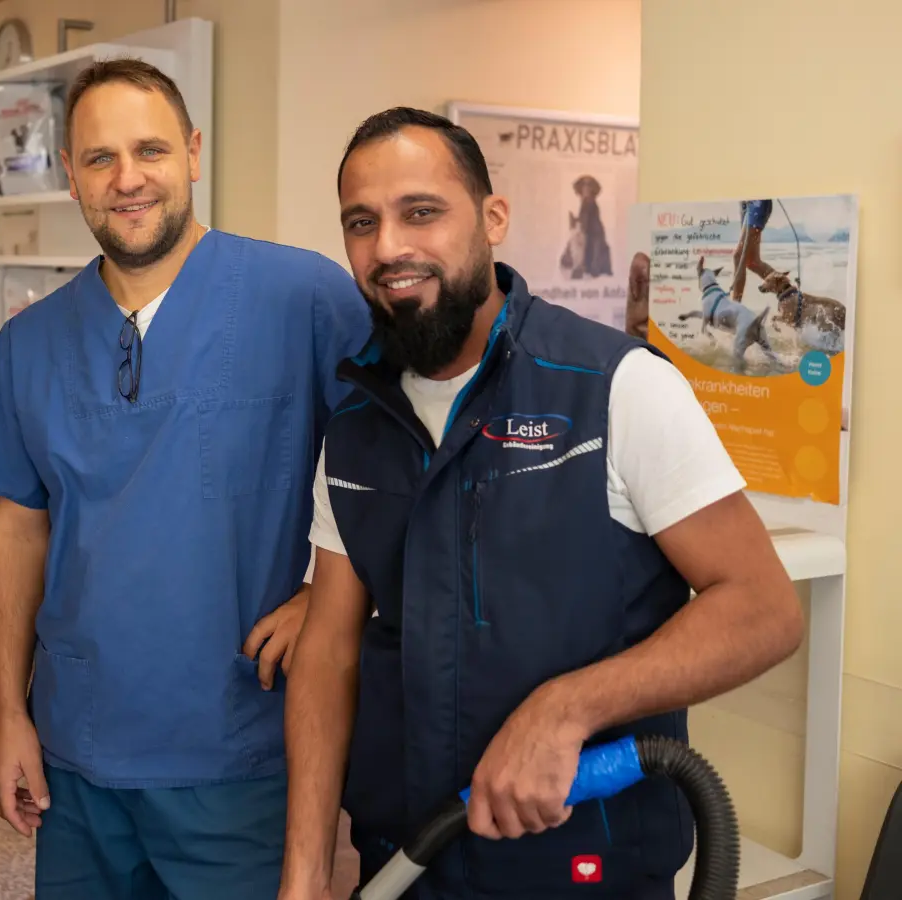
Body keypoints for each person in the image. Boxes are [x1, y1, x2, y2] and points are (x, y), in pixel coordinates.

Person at [280, 108, 805, 900]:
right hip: (405, 865)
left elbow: (765, 610)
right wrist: (306, 870)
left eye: (421, 211)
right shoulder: (357, 423)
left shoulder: (616, 387)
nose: (389, 247)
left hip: (582, 867)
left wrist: (567, 709)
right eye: (363, 222)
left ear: (493, 218)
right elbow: (329, 654)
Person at [0, 59, 372, 900]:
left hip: (239, 752)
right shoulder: (29, 344)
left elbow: (391, 466)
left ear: (192, 152)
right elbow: (14, 525)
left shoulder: (305, 299)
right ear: (70, 175)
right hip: (80, 756)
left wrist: (324, 595)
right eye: (100, 158)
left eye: (149, 149)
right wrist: (14, 714)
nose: (128, 178)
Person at [729, 199, 793, 300]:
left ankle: (735, 309)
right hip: (744, 201)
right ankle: (791, 295)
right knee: (752, 262)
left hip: (757, 201)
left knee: (739, 256)